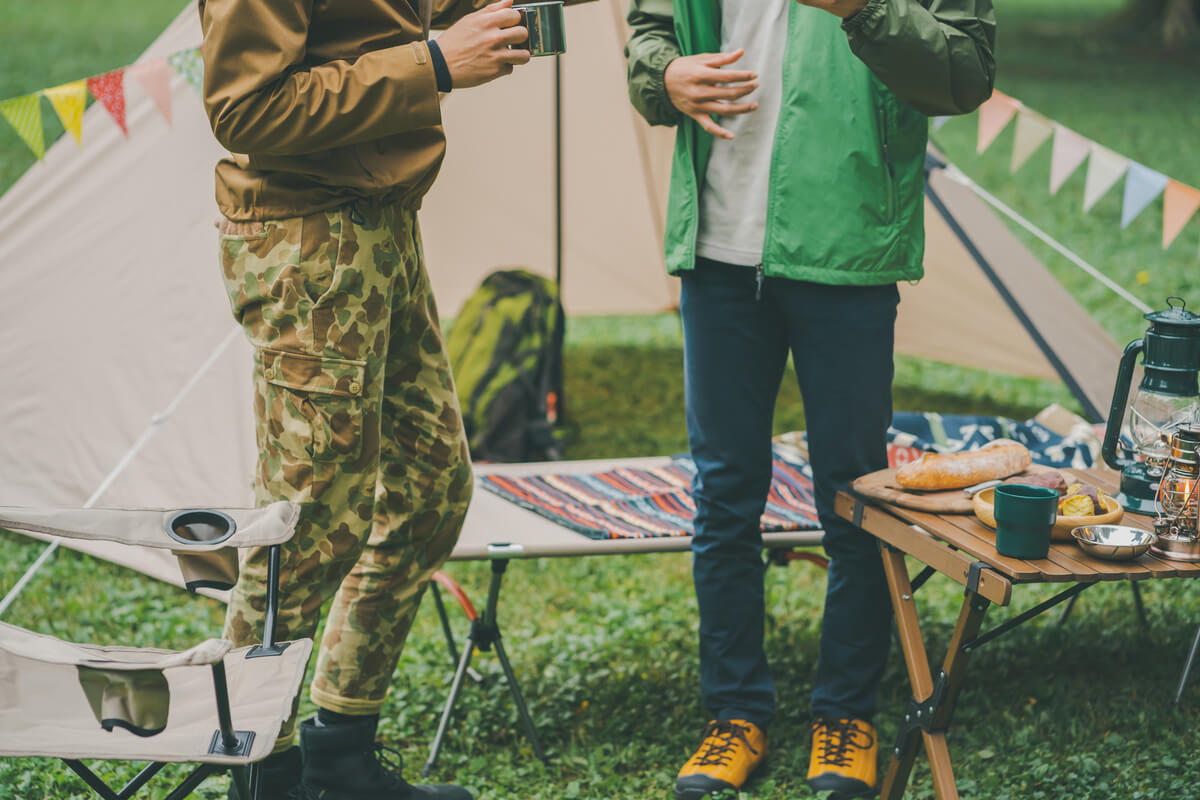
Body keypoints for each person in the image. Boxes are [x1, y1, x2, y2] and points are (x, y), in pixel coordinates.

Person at [625, 0, 995, 797]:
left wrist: (866, 10)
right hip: (717, 255)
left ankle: (846, 715)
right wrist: (665, 73)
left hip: (849, 247)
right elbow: (650, 28)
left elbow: (964, 74)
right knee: (723, 496)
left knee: (855, 498)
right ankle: (734, 715)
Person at [199, 0, 539, 797]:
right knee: (305, 528)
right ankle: (263, 771)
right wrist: (437, 63)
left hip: (385, 223)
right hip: (306, 239)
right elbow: (245, 105)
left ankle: (340, 758)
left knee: (429, 491)